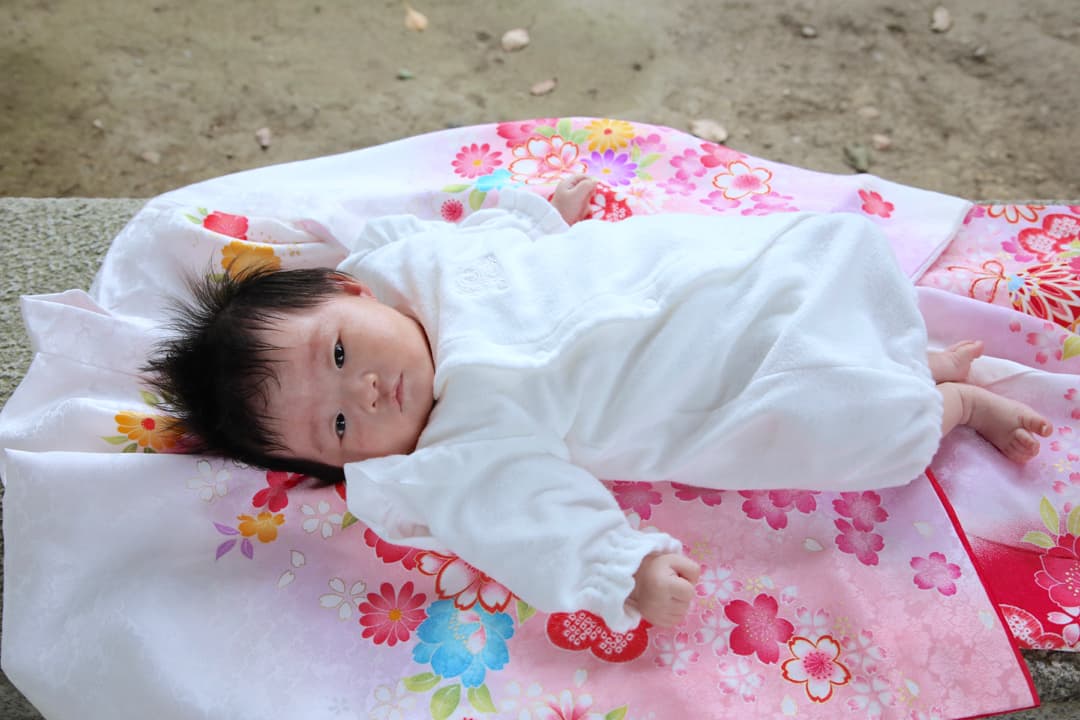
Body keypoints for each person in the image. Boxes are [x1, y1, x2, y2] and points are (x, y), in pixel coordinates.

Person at [146, 175, 1051, 632]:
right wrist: (620, 569)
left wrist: (541, 214)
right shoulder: (457, 454)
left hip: (703, 280)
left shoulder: (422, 267)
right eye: (341, 424)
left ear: (354, 290)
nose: (367, 390)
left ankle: (916, 354)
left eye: (342, 354)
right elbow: (531, 524)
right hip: (715, 386)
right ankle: (950, 401)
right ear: (349, 464)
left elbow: (496, 236)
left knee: (815, 262)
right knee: (849, 420)